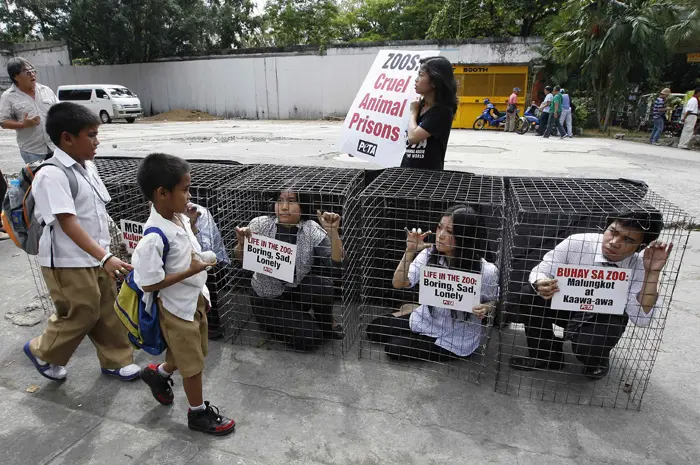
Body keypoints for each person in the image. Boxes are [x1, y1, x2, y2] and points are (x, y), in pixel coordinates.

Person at [22, 102, 140, 382]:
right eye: (91, 135)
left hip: (97, 254)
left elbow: (98, 211)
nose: (97, 141)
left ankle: (116, 360)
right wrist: (104, 257)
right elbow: (68, 223)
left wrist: (112, 249)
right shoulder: (52, 174)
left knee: (107, 308)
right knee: (82, 311)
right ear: (67, 138)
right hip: (67, 261)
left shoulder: (88, 167)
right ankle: (42, 351)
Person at [133, 153, 235, 436]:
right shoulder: (153, 237)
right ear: (162, 193)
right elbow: (149, 283)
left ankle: (158, 373)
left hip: (194, 300)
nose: (189, 195)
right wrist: (191, 272)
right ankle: (197, 413)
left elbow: (183, 251)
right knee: (193, 366)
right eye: (185, 189)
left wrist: (190, 224)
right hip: (177, 309)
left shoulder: (178, 217)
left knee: (192, 354)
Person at [509, 209, 672, 380]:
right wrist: (540, 283)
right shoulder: (578, 242)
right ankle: (545, 356)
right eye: (613, 232)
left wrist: (652, 273)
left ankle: (597, 360)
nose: (614, 242)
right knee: (529, 293)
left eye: (628, 239)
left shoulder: (640, 264)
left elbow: (641, 318)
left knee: (588, 347)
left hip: (604, 316)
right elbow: (541, 270)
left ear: (641, 246)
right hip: (567, 305)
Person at [365, 206, 499, 361]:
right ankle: (412, 311)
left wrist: (486, 307)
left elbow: (494, 300)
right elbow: (398, 283)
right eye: (439, 227)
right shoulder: (429, 254)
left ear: (466, 237)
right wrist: (410, 251)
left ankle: (409, 312)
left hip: (455, 338)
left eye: (449, 232)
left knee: (394, 347)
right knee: (375, 329)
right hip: (426, 319)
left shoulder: (487, 271)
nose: (440, 235)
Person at [234, 189, 345, 351]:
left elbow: (337, 264)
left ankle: (325, 323)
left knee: (324, 286)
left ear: (302, 206)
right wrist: (242, 244)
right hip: (268, 299)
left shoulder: (311, 229)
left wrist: (333, 232)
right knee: (311, 339)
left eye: (291, 201)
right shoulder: (260, 224)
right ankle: (276, 323)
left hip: (294, 291)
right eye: (280, 200)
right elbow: (239, 259)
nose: (284, 207)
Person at [401, 56, 458, 170]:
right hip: (406, 170)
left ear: (434, 82)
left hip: (427, 177)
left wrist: (413, 113)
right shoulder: (420, 105)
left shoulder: (443, 111)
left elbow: (413, 137)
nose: (416, 79)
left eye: (421, 75)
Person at [0, 57, 58, 164]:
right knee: (38, 179)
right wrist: (23, 124)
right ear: (16, 76)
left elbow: (60, 111)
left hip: (55, 146)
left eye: (33, 71)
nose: (32, 74)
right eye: (27, 72)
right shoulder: (8, 96)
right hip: (32, 151)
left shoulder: (46, 90)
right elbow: (3, 122)